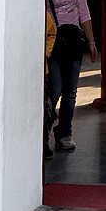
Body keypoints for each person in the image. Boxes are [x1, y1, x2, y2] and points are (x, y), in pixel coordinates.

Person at [46, 0, 97, 152]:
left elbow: (84, 12)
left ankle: (64, 132)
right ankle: (44, 132)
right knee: (54, 89)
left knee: (71, 92)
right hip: (54, 41)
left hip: (74, 41)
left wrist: (91, 41)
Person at [43, 9, 57, 160]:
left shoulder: (43, 14)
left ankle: (45, 141)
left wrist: (46, 53)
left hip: (43, 69)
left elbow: (52, 33)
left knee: (46, 107)